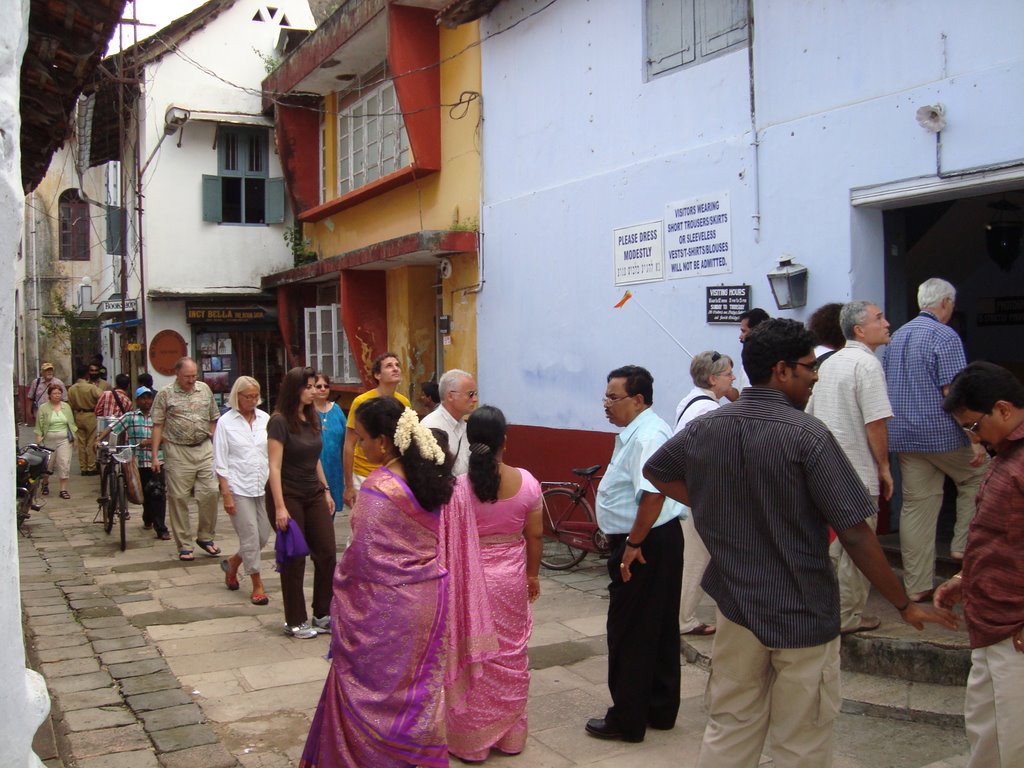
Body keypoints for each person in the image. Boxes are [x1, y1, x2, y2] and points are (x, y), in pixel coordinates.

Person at [643, 319, 958, 768]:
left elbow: (658, 470)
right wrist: (903, 604)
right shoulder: (807, 435)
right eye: (810, 367)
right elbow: (854, 531)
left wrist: (713, 501)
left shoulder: (709, 428)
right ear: (782, 370)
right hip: (802, 613)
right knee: (802, 741)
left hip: (738, 608)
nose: (816, 376)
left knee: (730, 727)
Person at [300, 397, 455, 767]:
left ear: (384, 442)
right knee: (416, 691)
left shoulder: (380, 487)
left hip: (383, 609)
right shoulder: (428, 476)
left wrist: (340, 591)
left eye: (365, 439)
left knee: (371, 692)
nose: (362, 447)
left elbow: (362, 558)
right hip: (426, 601)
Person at [584, 365, 684, 744]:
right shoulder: (638, 431)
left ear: (638, 399)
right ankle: (657, 707)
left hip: (646, 542)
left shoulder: (650, 433)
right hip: (649, 539)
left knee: (632, 631)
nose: (606, 405)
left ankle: (628, 717)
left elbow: (654, 493)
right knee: (654, 627)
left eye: (613, 397)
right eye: (606, 396)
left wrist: (634, 545)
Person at [935, 361, 1024, 768]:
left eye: (973, 426)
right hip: (989, 623)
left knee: (1014, 739)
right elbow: (997, 537)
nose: (972, 437)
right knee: (987, 734)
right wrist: (964, 578)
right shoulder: (1004, 455)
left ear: (1003, 410)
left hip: (1015, 628)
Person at [445, 405, 543, 762]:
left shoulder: (456, 488)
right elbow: (535, 537)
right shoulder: (528, 482)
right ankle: (510, 737)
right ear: (505, 439)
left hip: (469, 583)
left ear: (470, 441)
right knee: (511, 655)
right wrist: (532, 576)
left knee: (474, 656)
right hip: (511, 580)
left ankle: (472, 742)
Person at [883, 277, 987, 601]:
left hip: (903, 435)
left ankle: (916, 587)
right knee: (979, 476)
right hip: (941, 433)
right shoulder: (945, 335)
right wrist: (975, 437)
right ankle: (961, 547)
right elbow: (953, 393)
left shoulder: (896, 336)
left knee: (916, 505)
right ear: (945, 303)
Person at [806, 300, 893, 635]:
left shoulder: (828, 363)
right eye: (879, 318)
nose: (886, 324)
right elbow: (875, 423)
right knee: (858, 548)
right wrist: (885, 467)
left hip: (826, 470)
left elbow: (809, 415)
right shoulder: (866, 365)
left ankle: (827, 609)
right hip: (857, 471)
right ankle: (848, 616)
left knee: (832, 548)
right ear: (859, 329)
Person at [267, 367, 336, 639]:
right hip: (288, 492)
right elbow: (274, 466)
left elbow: (315, 456)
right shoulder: (279, 421)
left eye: (315, 385)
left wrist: (326, 489)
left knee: (327, 552)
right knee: (295, 557)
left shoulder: (311, 417)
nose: (313, 390)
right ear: (295, 389)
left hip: (313, 491)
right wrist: (280, 506)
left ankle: (323, 612)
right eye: (308, 386)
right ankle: (294, 620)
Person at [673, 351, 736, 637]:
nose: (733, 378)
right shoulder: (709, 412)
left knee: (697, 557)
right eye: (727, 374)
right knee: (696, 560)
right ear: (712, 378)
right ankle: (683, 619)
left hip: (690, 493)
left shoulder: (690, 401)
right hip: (701, 496)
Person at [150, 357, 221, 562]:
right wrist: (156, 455)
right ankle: (184, 544)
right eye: (187, 376)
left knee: (211, 492)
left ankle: (206, 537)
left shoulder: (204, 390)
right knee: (178, 497)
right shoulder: (165, 394)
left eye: (194, 376)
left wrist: (212, 438)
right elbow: (157, 425)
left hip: (204, 448)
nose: (191, 380)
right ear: (177, 374)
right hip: (177, 450)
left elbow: (213, 418)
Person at [214, 376, 272, 606]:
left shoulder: (265, 419)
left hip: (263, 484)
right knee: (249, 536)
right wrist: (226, 493)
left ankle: (234, 563)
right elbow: (220, 460)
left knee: (263, 536)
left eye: (256, 396)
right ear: (237, 397)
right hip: (238, 486)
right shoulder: (226, 423)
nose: (253, 400)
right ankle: (257, 583)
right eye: (248, 396)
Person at [99, 386, 170, 540]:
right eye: (143, 398)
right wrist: (99, 439)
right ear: (137, 400)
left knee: (158, 493)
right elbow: (113, 428)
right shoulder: (130, 417)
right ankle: (148, 517)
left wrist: (150, 441)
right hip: (137, 462)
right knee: (143, 493)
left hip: (156, 460)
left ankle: (161, 528)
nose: (146, 401)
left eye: (149, 398)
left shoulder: (158, 417)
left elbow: (167, 435)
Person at [341, 352, 410, 508]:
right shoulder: (362, 402)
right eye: (389, 366)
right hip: (364, 473)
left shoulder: (403, 402)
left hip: (394, 473)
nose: (395, 369)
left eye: (397, 365)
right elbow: (349, 444)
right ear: (377, 375)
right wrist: (349, 485)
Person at [421, 368, 478, 475]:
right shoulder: (430, 427)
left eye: (475, 393)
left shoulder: (466, 426)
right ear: (450, 396)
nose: (475, 399)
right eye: (470, 394)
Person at [34, 383, 76, 499]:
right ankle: (45, 483)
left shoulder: (66, 407)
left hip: (64, 439)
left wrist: (74, 438)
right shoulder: (43, 408)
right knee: (48, 465)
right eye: (54, 393)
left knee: (64, 463)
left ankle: (63, 489)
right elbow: (39, 425)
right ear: (49, 395)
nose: (57, 395)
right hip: (48, 439)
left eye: (59, 393)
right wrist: (38, 439)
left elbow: (71, 424)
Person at [311, 371, 346, 513]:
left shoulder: (336, 410)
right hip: (314, 470)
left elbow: (346, 438)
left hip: (335, 469)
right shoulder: (307, 412)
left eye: (326, 386)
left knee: (330, 511)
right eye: (318, 386)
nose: (323, 389)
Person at [726, 307, 769, 400]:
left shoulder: (770, 363)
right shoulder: (748, 360)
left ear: (756, 331)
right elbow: (739, 396)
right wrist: (720, 382)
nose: (740, 337)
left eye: (744, 331)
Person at [67, 364, 103, 475]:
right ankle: (91, 467)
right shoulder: (91, 387)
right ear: (87, 374)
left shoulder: (72, 389)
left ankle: (83, 467)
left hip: (78, 415)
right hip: (90, 414)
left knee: (81, 443)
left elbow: (70, 404)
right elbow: (102, 396)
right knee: (91, 441)